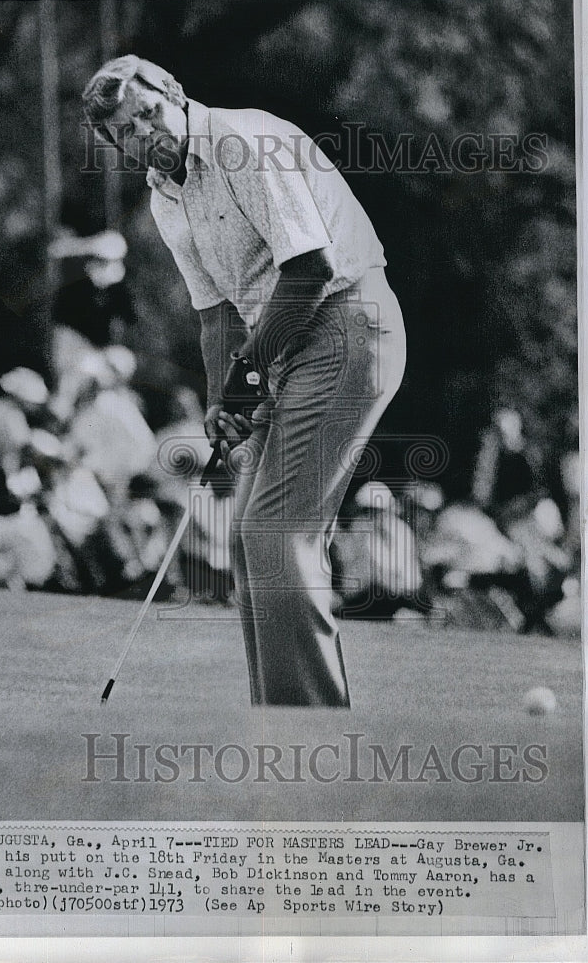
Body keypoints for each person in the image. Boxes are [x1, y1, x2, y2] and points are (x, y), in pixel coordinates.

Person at [82, 56, 407, 705]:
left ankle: (306, 727)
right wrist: (218, 404)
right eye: (130, 129)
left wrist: (247, 378)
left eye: (151, 112)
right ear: (116, 147)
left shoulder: (240, 143)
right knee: (245, 534)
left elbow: (310, 270)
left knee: (276, 530)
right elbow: (215, 315)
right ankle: (281, 715)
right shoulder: (163, 193)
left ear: (175, 93)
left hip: (346, 325)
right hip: (285, 345)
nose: (149, 131)